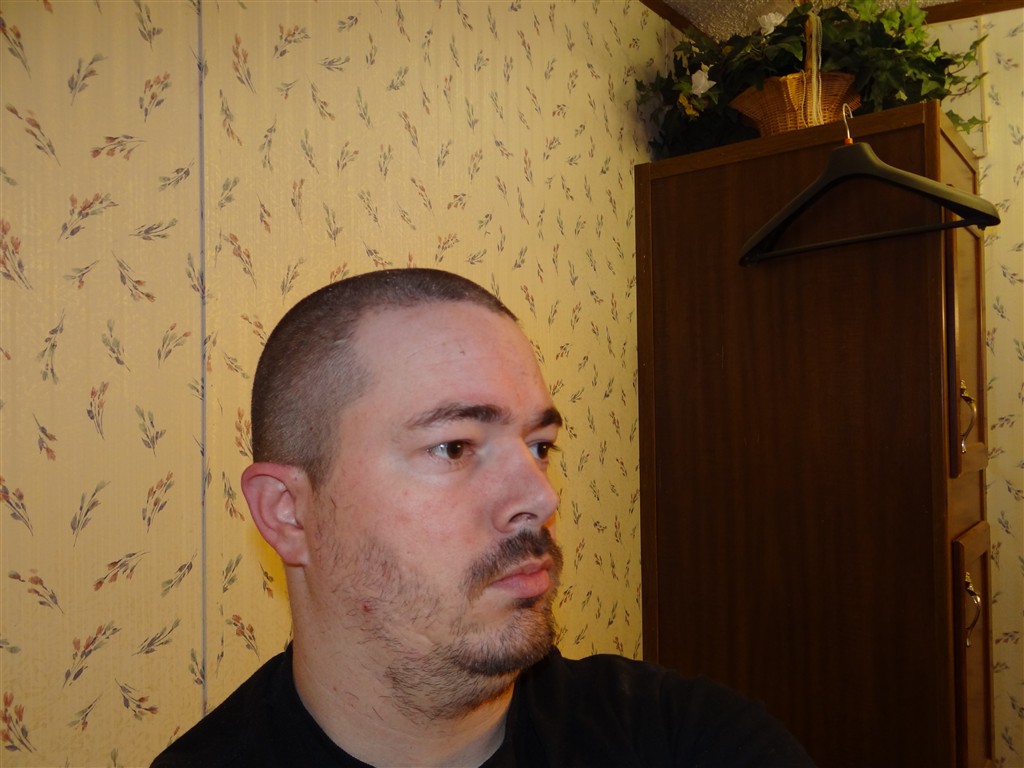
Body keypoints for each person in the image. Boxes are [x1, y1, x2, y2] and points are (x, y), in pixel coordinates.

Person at [152, 268, 814, 767]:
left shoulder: (688, 739)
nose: (540, 498)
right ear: (288, 513)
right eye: (455, 447)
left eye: (540, 446)